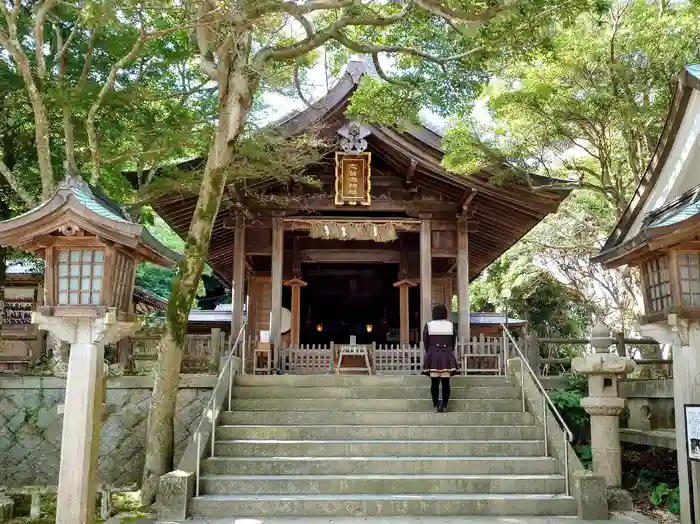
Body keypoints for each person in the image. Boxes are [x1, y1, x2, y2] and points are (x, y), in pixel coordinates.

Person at [421, 304, 460, 412]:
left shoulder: (428, 325)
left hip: (433, 355)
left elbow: (426, 342)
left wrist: (431, 352)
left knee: (434, 382)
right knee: (446, 383)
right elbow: (453, 342)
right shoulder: (451, 325)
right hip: (446, 355)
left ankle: (435, 405)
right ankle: (445, 405)